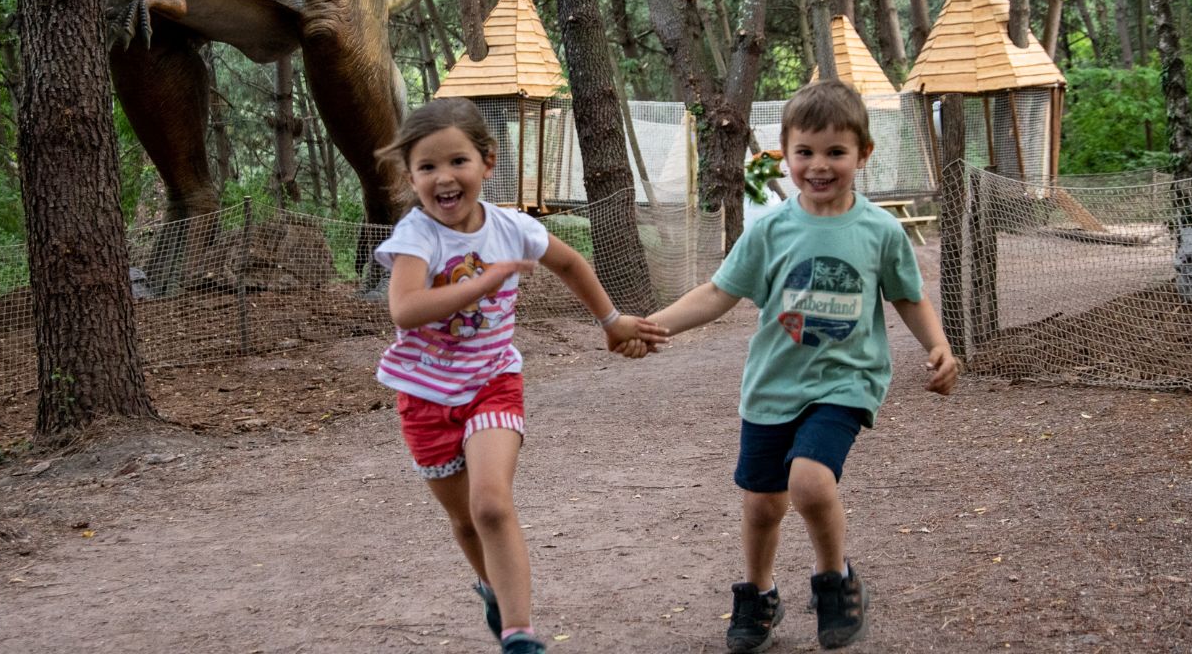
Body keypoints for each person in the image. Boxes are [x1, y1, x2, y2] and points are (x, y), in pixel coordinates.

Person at [647, 79, 958, 652]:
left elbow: (908, 297)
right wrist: (656, 324)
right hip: (772, 386)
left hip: (847, 381)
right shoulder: (769, 230)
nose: (819, 165)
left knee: (810, 483)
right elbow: (719, 293)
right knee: (763, 504)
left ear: (863, 154)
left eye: (836, 152)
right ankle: (760, 594)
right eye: (805, 152)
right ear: (784, 155)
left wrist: (936, 345)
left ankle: (833, 582)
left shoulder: (880, 232)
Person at [373, 97, 670, 654]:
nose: (444, 177)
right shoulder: (417, 236)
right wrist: (483, 283)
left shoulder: (511, 228)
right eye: (427, 167)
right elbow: (406, 309)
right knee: (465, 523)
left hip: (492, 381)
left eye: (457, 161)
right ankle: (490, 586)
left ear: (487, 163)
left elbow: (569, 262)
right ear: (410, 177)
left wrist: (610, 322)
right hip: (424, 397)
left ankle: (519, 635)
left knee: (491, 504)